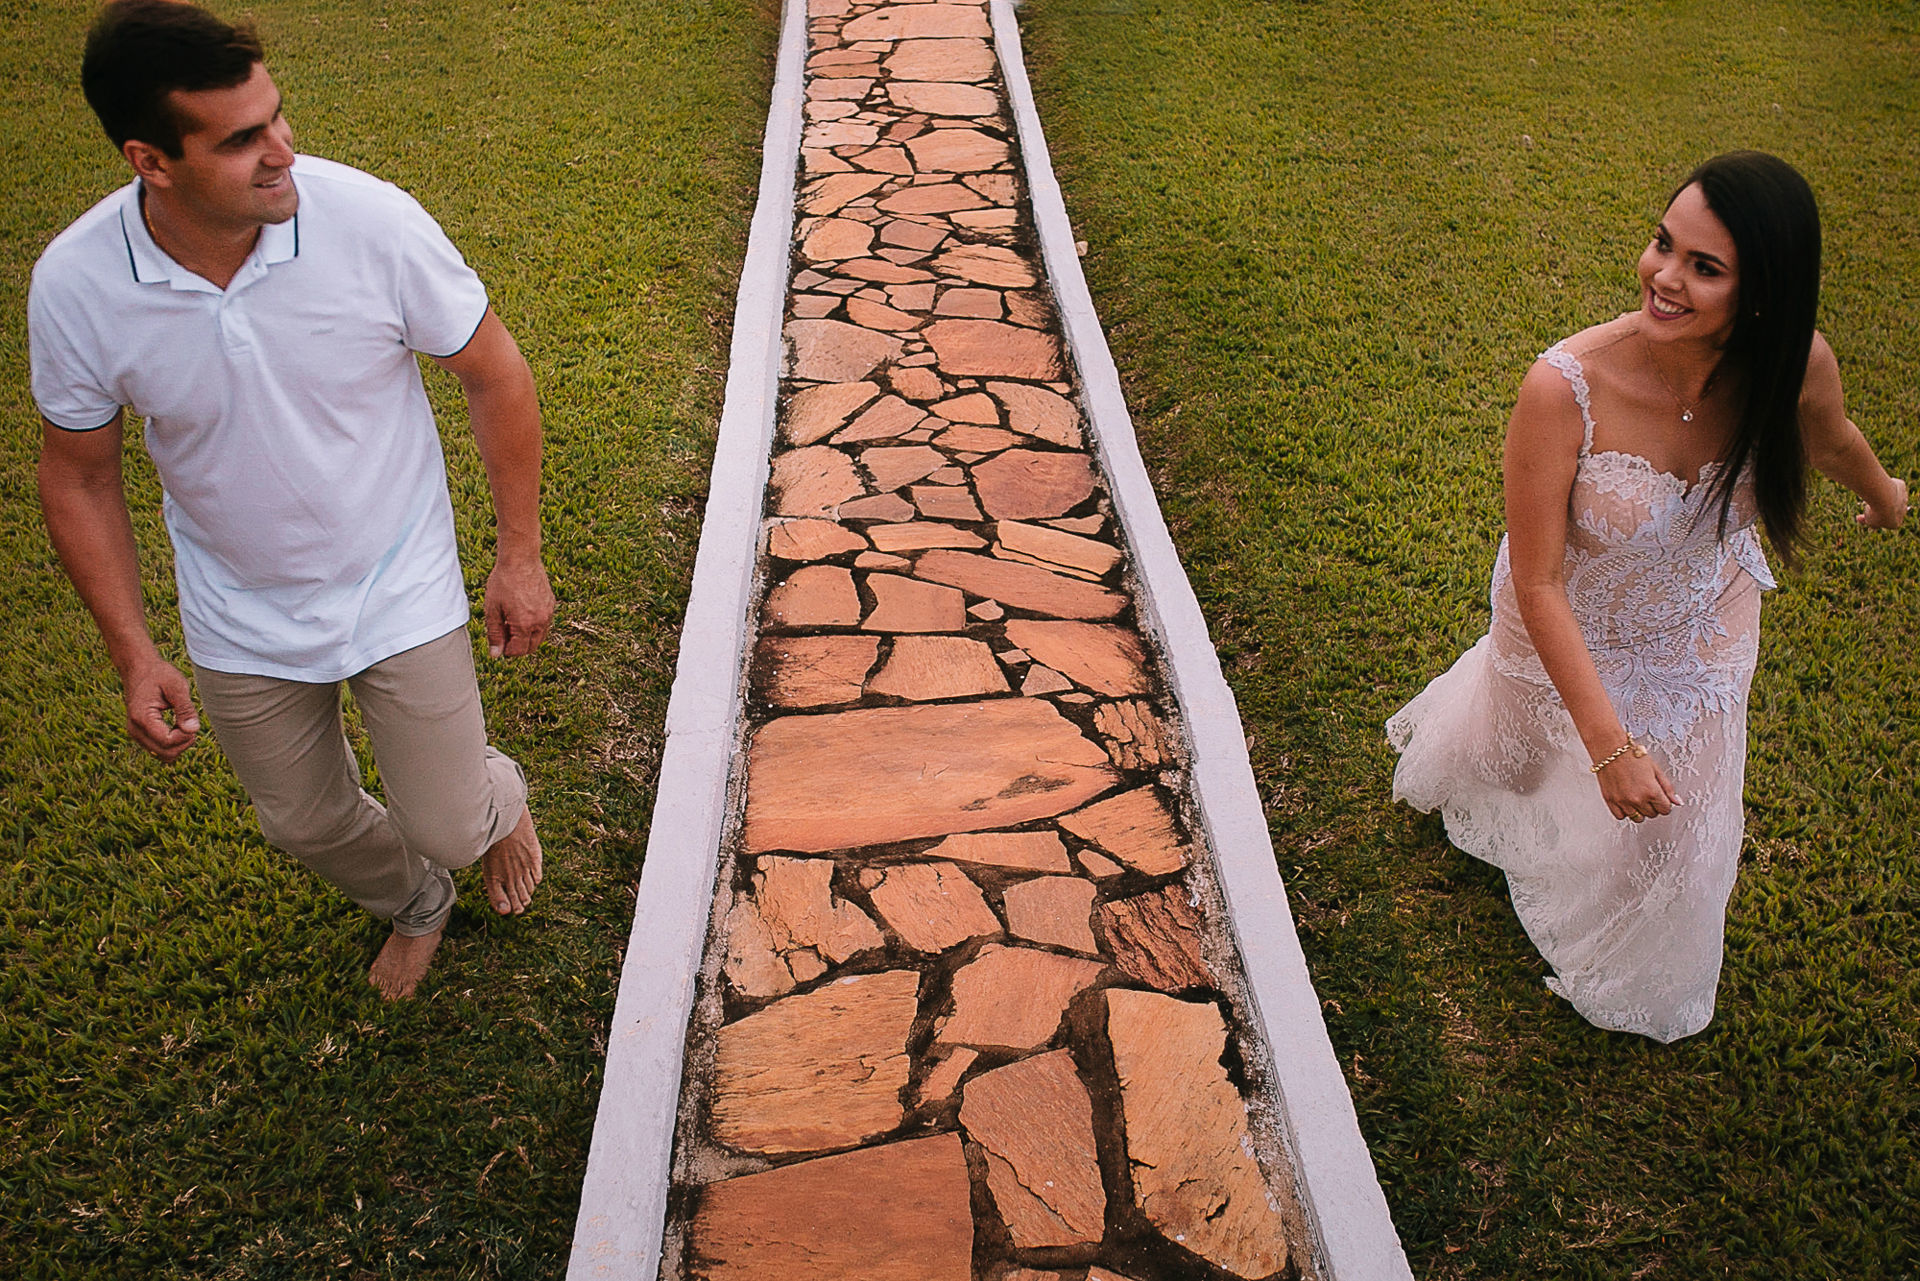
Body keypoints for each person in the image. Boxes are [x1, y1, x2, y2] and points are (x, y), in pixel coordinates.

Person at [30, 0, 557, 1000]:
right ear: (151, 161)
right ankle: (414, 899)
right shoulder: (76, 285)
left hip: (398, 577)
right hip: (240, 610)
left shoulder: (371, 222)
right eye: (240, 140)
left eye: (276, 115)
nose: (284, 151)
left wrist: (517, 551)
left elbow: (496, 371)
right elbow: (79, 471)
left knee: (448, 816)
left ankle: (493, 805)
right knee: (301, 823)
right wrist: (134, 651)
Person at [1387, 152, 1907, 1043]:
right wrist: (1610, 743)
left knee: (1673, 842)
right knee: (1513, 765)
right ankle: (1512, 772)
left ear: (1761, 295)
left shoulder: (1794, 364)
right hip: (1563, 613)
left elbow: (1831, 439)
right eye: (1664, 244)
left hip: (1699, 622)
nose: (1664, 277)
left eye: (1704, 267)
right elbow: (1538, 579)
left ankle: (1631, 951)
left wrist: (1885, 492)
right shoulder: (1563, 387)